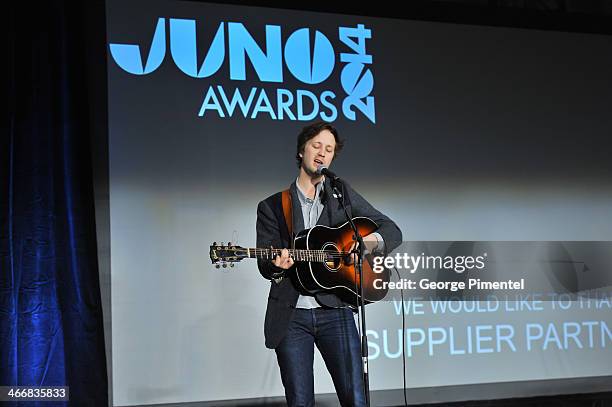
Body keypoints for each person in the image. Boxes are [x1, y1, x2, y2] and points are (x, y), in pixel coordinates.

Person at [256, 121, 402, 407]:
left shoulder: (341, 195)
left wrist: (366, 244)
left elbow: (392, 230)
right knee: (300, 402)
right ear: (302, 151)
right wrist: (277, 265)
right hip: (292, 317)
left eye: (329, 149)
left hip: (336, 311)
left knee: (356, 400)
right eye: (316, 146)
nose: (322, 153)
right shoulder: (273, 206)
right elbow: (266, 263)